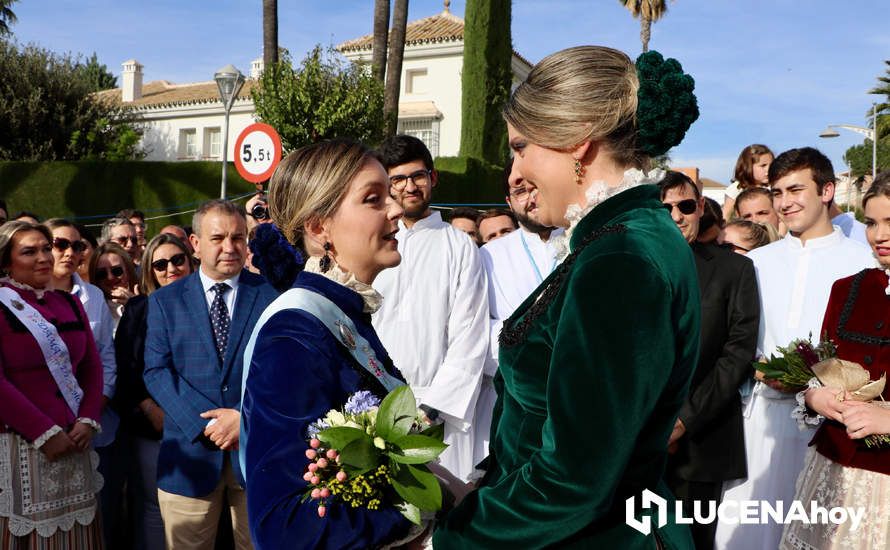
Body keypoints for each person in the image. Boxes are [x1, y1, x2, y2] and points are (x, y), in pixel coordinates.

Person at [433, 46, 701, 548]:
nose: (514, 173)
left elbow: (575, 476)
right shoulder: (626, 236)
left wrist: (455, 538)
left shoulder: (621, 257)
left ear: (577, 142)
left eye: (520, 147)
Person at [242, 139, 420, 549]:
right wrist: (413, 515)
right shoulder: (293, 334)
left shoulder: (346, 311)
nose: (396, 210)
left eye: (391, 196)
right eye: (374, 199)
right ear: (320, 227)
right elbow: (282, 525)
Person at [715, 147, 875, 550]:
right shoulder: (755, 263)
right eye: (778, 192)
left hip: (832, 431)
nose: (785, 202)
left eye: (795, 189)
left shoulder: (865, 263)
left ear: (826, 190)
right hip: (759, 426)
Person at [143, 199, 277, 550]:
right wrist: (207, 425)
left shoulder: (271, 297)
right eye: (218, 238)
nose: (230, 248)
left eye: (238, 237)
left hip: (257, 455)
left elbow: (279, 370)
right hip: (188, 456)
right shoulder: (165, 301)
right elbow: (157, 371)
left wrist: (242, 419)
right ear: (195, 243)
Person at [782, 171, 890, 549]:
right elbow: (821, 373)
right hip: (831, 472)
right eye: (872, 223)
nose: (879, 235)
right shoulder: (847, 289)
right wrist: (816, 399)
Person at [373, 135, 490, 482]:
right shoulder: (375, 242)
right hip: (375, 404)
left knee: (439, 518)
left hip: (438, 413)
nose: (410, 187)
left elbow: (470, 333)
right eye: (398, 179)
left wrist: (431, 411)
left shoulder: (459, 246)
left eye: (418, 176)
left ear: (433, 178)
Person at [659, 171, 760, 550]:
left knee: (694, 543)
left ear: (700, 208)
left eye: (685, 206)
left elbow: (737, 353)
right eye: (664, 207)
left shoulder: (735, 269)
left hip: (702, 443)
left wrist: (684, 420)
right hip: (637, 440)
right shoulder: (631, 269)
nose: (676, 215)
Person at [0, 221, 104, 547]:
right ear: (6, 261)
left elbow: (91, 365)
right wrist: (43, 432)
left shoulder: (69, 303)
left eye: (47, 248)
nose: (44, 257)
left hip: (75, 442)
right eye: (29, 251)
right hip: (22, 445)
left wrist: (88, 418)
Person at [477, 158, 563, 464]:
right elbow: (479, 326)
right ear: (508, 201)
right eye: (521, 191)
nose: (531, 198)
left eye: (536, 188)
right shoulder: (489, 255)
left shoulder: (580, 241)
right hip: (513, 395)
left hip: (574, 390)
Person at [46, 218, 123, 547]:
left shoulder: (92, 295)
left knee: (91, 517)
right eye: (60, 244)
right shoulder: (16, 298)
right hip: (40, 428)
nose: (69, 252)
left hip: (88, 426)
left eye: (77, 246)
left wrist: (90, 415)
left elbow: (105, 360)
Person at [116, 233, 195, 550]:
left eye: (178, 260)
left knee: (198, 508)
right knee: (154, 507)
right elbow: (126, 366)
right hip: (154, 427)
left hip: (200, 426)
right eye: (160, 264)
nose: (171, 269)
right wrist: (150, 409)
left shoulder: (207, 305)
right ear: (150, 270)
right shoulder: (139, 309)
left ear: (190, 261)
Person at [89, 242, 138, 329]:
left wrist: (137, 307)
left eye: (116, 271)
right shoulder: (92, 308)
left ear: (128, 269)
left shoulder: (147, 299)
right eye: (102, 273)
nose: (110, 277)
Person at [722, 144, 774, 220]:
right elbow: (726, 216)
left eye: (771, 165)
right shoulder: (737, 189)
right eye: (763, 165)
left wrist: (780, 232)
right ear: (748, 166)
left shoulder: (773, 187)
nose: (768, 170)